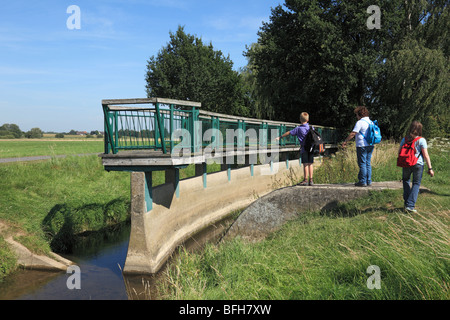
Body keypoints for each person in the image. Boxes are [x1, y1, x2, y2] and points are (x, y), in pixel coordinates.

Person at [399, 121, 434, 213]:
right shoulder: (421, 140)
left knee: (406, 181)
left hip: (406, 164)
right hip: (417, 164)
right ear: (420, 130)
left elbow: (399, 152)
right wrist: (430, 168)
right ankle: (410, 205)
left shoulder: (405, 139)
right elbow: (426, 155)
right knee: (416, 183)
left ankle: (407, 203)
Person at [276, 112, 314, 185]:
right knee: (310, 163)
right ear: (308, 120)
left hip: (304, 149)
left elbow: (289, 133)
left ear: (300, 120)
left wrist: (280, 137)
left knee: (305, 164)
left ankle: (305, 180)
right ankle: (311, 180)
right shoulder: (311, 127)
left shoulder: (298, 129)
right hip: (311, 148)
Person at [341, 106, 375, 187]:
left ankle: (363, 181)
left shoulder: (360, 122)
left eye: (356, 115)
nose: (356, 117)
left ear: (360, 115)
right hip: (370, 145)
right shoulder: (371, 122)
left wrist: (345, 141)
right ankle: (368, 180)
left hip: (362, 145)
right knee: (367, 163)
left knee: (362, 163)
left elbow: (353, 133)